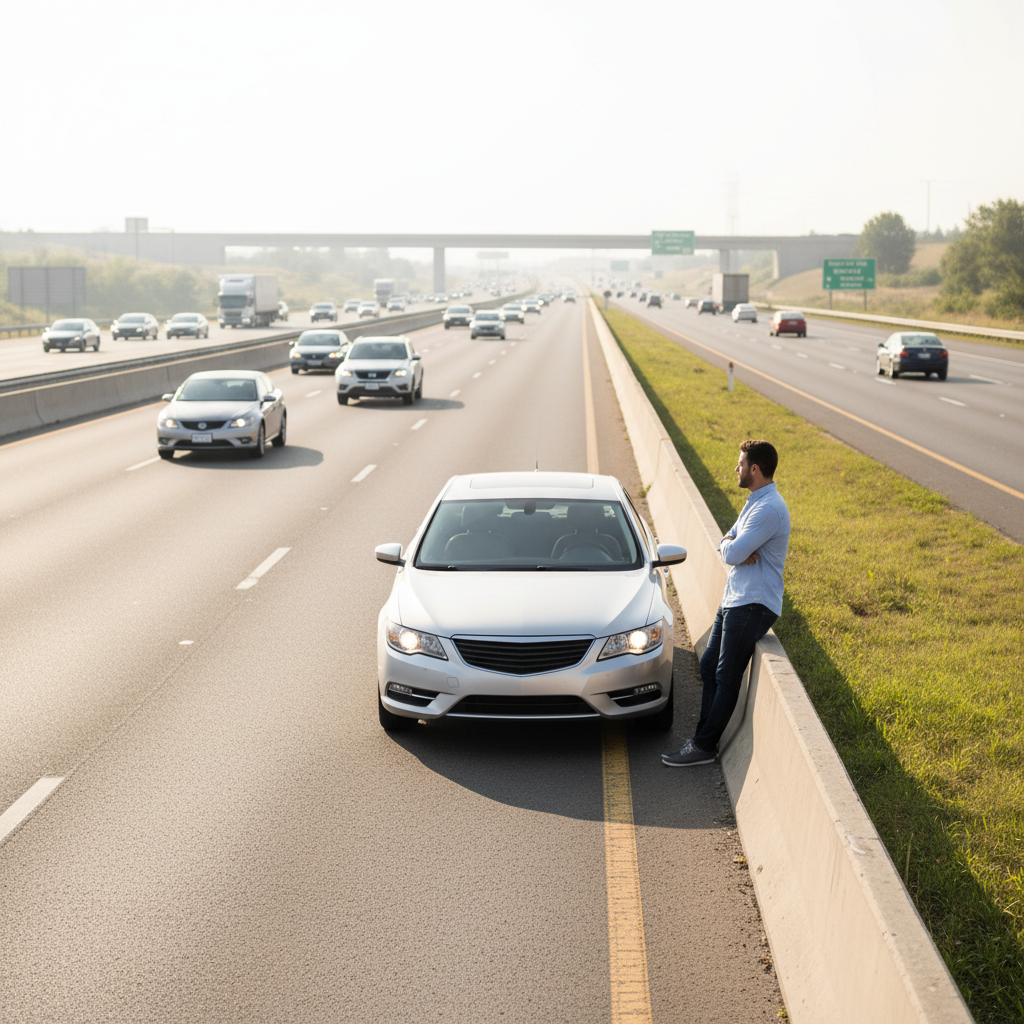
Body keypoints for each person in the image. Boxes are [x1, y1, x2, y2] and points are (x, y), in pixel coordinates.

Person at [662, 439, 790, 767]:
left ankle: (704, 746)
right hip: (735, 598)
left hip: (753, 603)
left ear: (755, 469)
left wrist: (733, 547)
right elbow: (727, 541)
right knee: (708, 667)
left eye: (741, 464)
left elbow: (731, 553)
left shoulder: (769, 510)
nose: (737, 468)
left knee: (726, 675)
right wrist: (731, 545)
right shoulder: (755, 502)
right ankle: (702, 737)